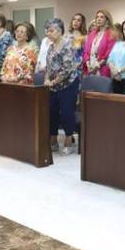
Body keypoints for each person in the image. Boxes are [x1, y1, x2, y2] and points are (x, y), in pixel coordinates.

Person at [43, 18, 80, 155]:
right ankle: (53, 140)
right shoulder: (50, 47)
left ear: (59, 31)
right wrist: (47, 79)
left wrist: (53, 81)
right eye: (47, 30)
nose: (48, 33)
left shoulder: (67, 46)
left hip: (68, 85)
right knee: (51, 112)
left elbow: (67, 70)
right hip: (53, 85)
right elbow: (48, 67)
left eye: (51, 30)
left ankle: (68, 140)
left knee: (66, 113)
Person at [82, 10, 117, 76]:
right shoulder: (92, 34)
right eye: (97, 17)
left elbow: (108, 55)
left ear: (107, 20)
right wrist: (88, 64)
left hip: (102, 69)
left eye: (101, 17)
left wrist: (96, 66)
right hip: (90, 68)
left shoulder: (111, 34)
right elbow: (86, 51)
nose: (98, 19)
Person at [108, 20, 125, 94]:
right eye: (124, 29)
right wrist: (114, 71)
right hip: (115, 77)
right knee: (115, 103)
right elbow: (110, 59)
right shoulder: (118, 43)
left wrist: (119, 71)